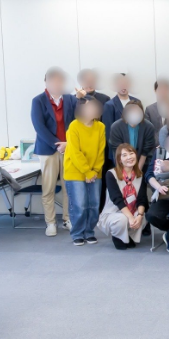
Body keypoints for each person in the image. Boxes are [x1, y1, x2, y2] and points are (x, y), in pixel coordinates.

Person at [30, 67, 76, 236]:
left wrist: (68, 143)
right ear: (46, 82)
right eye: (53, 80)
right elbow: (39, 126)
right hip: (48, 149)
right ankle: (50, 222)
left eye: (60, 80)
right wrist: (57, 144)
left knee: (68, 186)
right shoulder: (38, 101)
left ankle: (67, 219)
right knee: (48, 188)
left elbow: (77, 121)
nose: (57, 84)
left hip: (68, 148)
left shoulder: (70, 99)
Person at [63, 98, 105, 246]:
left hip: (95, 172)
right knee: (79, 205)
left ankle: (89, 232)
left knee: (94, 204)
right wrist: (87, 171)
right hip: (76, 171)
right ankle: (77, 233)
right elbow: (75, 153)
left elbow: (101, 151)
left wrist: (94, 171)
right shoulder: (74, 126)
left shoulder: (100, 127)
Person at [98, 143, 148, 250]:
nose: (129, 157)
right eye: (124, 155)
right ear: (119, 160)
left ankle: (128, 235)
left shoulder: (140, 175)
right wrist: (131, 217)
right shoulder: (111, 174)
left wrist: (139, 216)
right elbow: (117, 199)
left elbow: (142, 199)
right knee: (122, 219)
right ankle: (117, 236)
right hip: (113, 212)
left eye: (131, 153)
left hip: (132, 210)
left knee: (142, 217)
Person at [108, 100, 155, 172]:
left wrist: (138, 171)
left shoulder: (149, 127)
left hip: (142, 163)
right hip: (122, 163)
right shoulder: (116, 127)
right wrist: (126, 172)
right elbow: (117, 151)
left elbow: (145, 151)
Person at [102, 74, 140, 161]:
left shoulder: (137, 102)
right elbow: (108, 132)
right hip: (119, 151)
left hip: (136, 148)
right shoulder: (109, 105)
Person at [145, 79, 169, 145]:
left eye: (165, 89)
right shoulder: (149, 109)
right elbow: (147, 131)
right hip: (155, 146)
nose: (163, 92)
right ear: (155, 90)